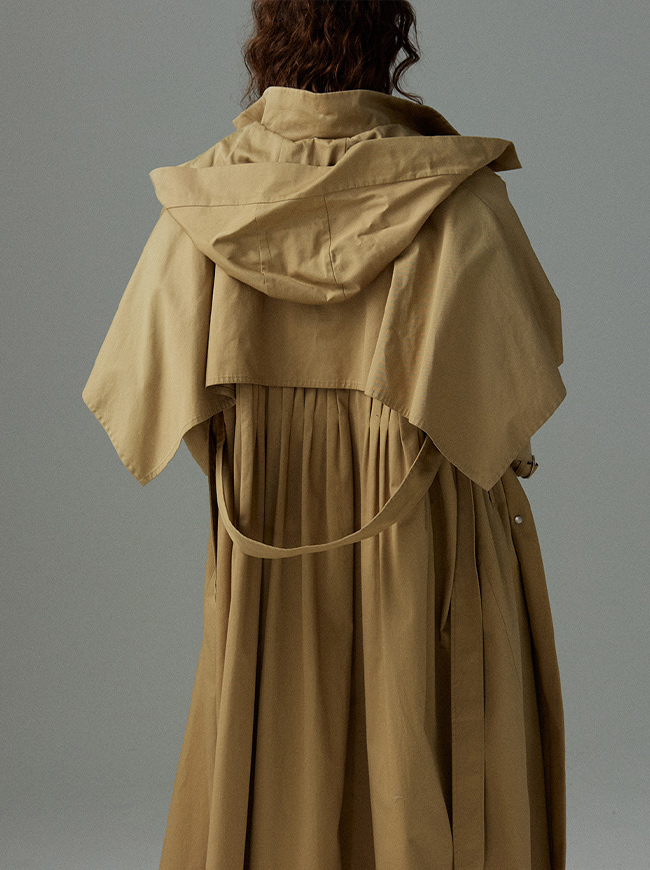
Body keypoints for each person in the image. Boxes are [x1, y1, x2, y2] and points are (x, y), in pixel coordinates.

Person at [82, 1, 568, 868]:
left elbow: (140, 392)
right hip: (420, 552)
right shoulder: (459, 203)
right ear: (391, 42)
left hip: (269, 549)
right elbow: (507, 405)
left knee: (273, 743)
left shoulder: (208, 204)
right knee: (420, 731)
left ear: (266, 44)